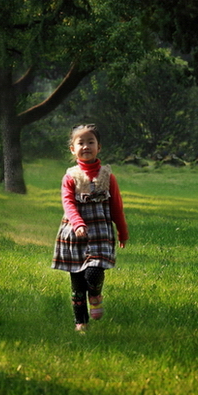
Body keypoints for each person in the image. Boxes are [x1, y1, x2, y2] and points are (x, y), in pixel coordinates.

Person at [52, 124, 128, 331]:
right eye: (81, 143)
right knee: (77, 282)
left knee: (93, 273)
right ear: (72, 149)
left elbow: (116, 206)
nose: (86, 146)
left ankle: (95, 294)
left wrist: (122, 231)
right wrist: (78, 223)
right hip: (75, 234)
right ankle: (81, 324)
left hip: (100, 233)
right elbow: (68, 204)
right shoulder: (70, 177)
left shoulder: (107, 176)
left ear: (99, 147)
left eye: (90, 142)